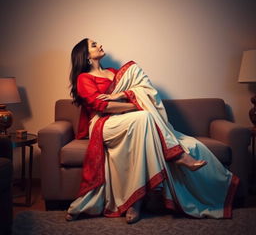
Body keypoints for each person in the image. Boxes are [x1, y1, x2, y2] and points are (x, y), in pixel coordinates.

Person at [66, 38, 239, 224]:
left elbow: (141, 89)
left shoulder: (116, 74)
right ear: (85, 56)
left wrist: (121, 95)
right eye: (94, 45)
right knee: (145, 116)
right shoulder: (84, 78)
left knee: (135, 73)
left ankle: (136, 201)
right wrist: (135, 106)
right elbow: (101, 106)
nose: (100, 45)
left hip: (129, 120)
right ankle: (176, 156)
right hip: (103, 124)